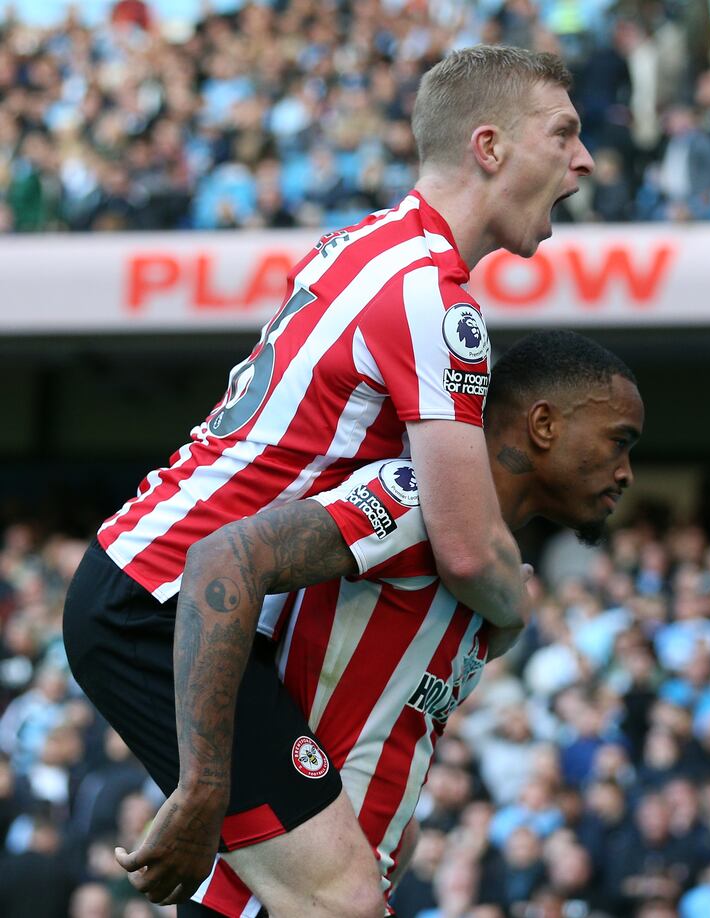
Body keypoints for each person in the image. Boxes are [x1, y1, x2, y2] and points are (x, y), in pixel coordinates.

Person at [63, 45, 594, 916]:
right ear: (489, 147)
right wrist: (515, 605)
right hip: (168, 602)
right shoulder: (436, 301)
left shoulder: (366, 244)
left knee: (286, 892)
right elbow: (465, 544)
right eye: (564, 132)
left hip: (157, 583)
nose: (584, 158)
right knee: (342, 897)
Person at [120, 330, 642, 916]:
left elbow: (388, 736)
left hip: (341, 889)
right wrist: (203, 785)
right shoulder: (413, 501)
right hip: (268, 898)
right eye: (619, 442)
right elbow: (222, 559)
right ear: (543, 425)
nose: (625, 472)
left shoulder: (489, 575)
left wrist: (391, 837)